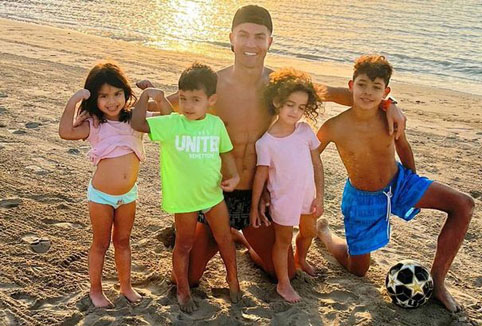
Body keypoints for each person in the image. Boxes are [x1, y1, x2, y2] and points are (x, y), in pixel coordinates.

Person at [137, 5, 407, 284]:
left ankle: (245, 240)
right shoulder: (212, 84)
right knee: (188, 279)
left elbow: (345, 94)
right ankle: (221, 233)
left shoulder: (280, 84)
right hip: (214, 196)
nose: (250, 43)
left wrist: (389, 103)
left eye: (259, 36)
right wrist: (129, 105)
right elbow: (166, 110)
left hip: (256, 198)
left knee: (284, 273)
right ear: (231, 38)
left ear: (270, 42)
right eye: (243, 35)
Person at [315, 55, 474, 312]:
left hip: (398, 183)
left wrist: (415, 184)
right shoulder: (333, 126)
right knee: (358, 270)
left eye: (376, 87)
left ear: (386, 92)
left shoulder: (389, 116)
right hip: (362, 199)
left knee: (464, 204)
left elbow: (403, 146)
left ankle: (439, 283)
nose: (368, 93)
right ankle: (324, 234)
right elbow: (310, 156)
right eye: (362, 85)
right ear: (351, 85)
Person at [131, 63, 241, 313]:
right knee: (184, 244)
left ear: (211, 100)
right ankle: (182, 289)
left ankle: (233, 279)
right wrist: (147, 96)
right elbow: (138, 123)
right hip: (184, 200)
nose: (188, 105)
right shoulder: (172, 124)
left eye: (195, 99)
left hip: (213, 195)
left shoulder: (215, 125)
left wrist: (233, 176)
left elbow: (227, 153)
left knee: (225, 239)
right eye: (183, 99)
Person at [58, 62, 158, 308]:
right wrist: (74, 101)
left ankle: (126, 286)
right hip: (101, 196)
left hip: (128, 195)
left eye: (116, 94)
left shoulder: (135, 119)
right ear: (95, 99)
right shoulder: (94, 123)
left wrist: (152, 91)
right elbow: (64, 132)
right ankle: (96, 290)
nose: (111, 101)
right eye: (103, 96)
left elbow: (166, 116)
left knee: (123, 241)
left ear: (125, 93)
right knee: (101, 243)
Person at [250, 68, 324, 302]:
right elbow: (260, 177)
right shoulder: (266, 142)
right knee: (283, 242)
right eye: (290, 105)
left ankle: (301, 259)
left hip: (307, 197)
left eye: (301, 107)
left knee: (309, 231)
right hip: (283, 201)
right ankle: (283, 284)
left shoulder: (305, 131)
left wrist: (320, 196)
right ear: (277, 102)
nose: (295, 112)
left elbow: (317, 164)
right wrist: (255, 207)